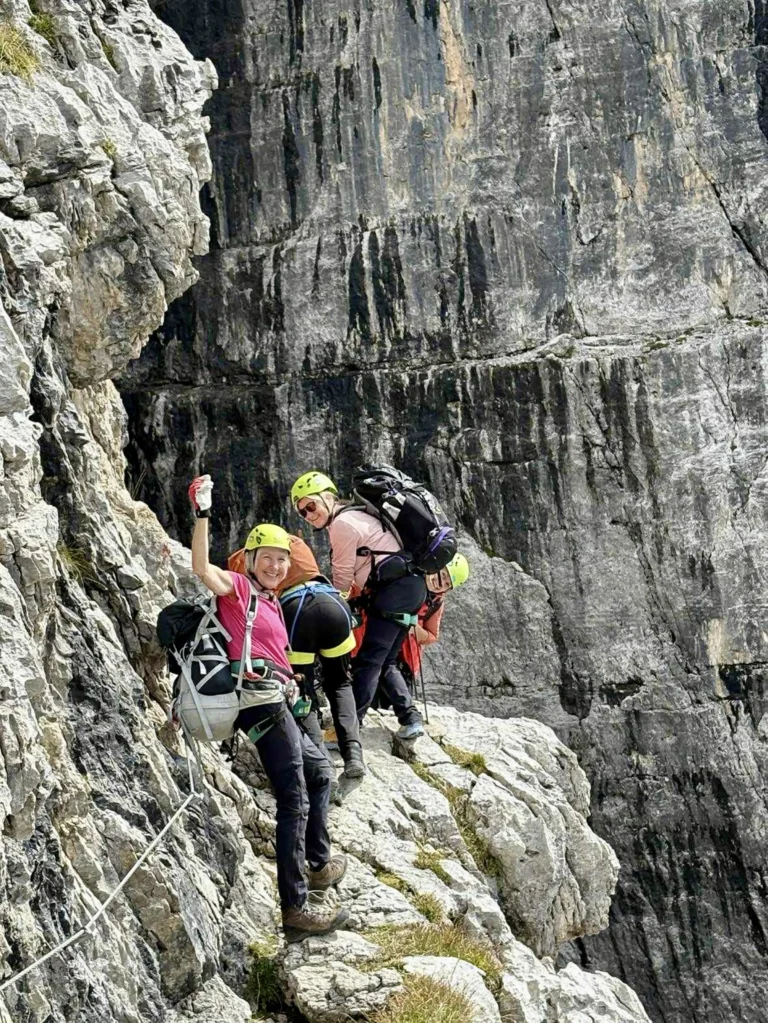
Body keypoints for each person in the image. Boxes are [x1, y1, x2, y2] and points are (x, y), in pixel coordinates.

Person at [187, 474, 348, 942]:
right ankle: (294, 908)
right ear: (251, 561)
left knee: (319, 773)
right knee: (293, 799)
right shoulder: (237, 587)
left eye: (282, 559)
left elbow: (276, 655)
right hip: (259, 706)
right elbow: (202, 569)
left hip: (282, 699)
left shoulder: (272, 604)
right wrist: (202, 515)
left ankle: (317, 864)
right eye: (268, 559)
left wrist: (293, 679)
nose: (277, 566)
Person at [290, 471, 426, 740]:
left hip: (394, 590)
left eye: (311, 505)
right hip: (410, 586)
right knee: (385, 661)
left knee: (368, 662)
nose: (308, 514)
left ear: (328, 497)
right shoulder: (356, 516)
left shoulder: (343, 524)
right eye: (302, 512)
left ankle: (348, 729)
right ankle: (410, 719)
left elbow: (342, 575)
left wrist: (332, 604)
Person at [229, 536, 365, 779]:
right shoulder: (297, 545)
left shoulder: (251, 555)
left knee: (303, 691)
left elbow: (241, 586)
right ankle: (353, 754)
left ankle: (323, 767)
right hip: (333, 603)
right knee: (340, 683)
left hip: (296, 611)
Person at [399, 553, 470, 684]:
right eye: (443, 575)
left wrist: (414, 629)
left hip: (404, 660)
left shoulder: (436, 602)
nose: (440, 583)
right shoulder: (410, 576)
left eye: (447, 584)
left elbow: (432, 635)